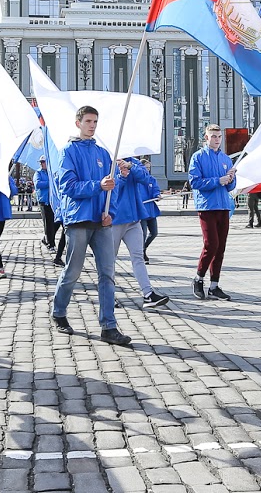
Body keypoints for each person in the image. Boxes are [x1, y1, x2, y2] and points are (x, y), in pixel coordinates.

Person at [50, 106, 131, 346]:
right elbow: (68, 186)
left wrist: (111, 213)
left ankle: (109, 326)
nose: (92, 125)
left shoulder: (104, 154)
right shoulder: (68, 152)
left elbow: (112, 188)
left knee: (108, 273)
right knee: (72, 272)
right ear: (78, 123)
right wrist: (97, 185)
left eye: (95, 121)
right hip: (78, 220)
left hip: (102, 221)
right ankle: (59, 312)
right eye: (88, 121)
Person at [112, 157, 170, 309]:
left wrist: (130, 166)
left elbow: (146, 178)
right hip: (115, 219)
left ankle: (148, 294)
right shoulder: (107, 160)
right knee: (109, 260)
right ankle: (108, 295)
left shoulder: (133, 162)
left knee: (138, 256)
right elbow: (108, 189)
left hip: (134, 218)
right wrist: (121, 177)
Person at [188, 124, 236, 301]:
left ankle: (214, 285)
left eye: (219, 136)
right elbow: (195, 182)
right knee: (211, 244)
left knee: (221, 246)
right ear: (206, 138)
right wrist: (218, 180)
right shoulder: (198, 157)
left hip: (223, 206)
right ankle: (198, 278)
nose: (216, 139)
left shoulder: (225, 159)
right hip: (207, 206)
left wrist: (231, 178)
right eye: (213, 136)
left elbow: (230, 186)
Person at [138, 158, 161, 264]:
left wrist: (157, 195)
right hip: (142, 211)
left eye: (148, 168)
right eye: (145, 168)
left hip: (151, 210)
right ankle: (141, 254)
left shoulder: (152, 179)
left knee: (154, 232)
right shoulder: (138, 181)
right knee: (142, 233)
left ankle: (144, 248)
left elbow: (155, 189)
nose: (147, 170)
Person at [35, 158, 56, 252]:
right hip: (44, 200)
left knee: (55, 222)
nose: (42, 164)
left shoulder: (52, 172)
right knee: (48, 223)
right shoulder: (38, 173)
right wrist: (50, 183)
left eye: (44, 162)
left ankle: (47, 238)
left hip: (52, 200)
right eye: (41, 162)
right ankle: (50, 243)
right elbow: (38, 184)